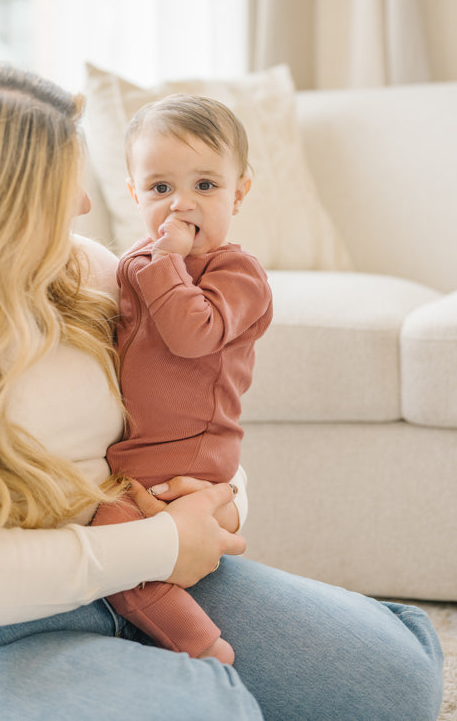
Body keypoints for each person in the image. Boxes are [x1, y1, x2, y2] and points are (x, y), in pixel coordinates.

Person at [0, 58, 443, 721]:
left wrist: (217, 502)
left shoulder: (86, 268)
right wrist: (164, 544)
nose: (86, 204)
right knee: (209, 707)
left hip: (141, 577)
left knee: (396, 683)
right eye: (64, 185)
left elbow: (194, 402)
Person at [92, 94, 273, 665]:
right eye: (161, 189)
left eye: (205, 186)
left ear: (239, 192)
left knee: (112, 549)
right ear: (134, 195)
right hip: (144, 450)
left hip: (190, 455)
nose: (182, 206)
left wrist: (165, 262)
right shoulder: (139, 264)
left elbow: (194, 334)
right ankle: (178, 634)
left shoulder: (237, 272)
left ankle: (201, 649)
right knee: (116, 552)